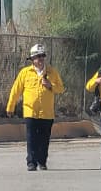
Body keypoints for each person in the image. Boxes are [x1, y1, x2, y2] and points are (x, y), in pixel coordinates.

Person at [6, 43, 65, 171]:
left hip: (47, 113)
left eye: (42, 56)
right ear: (32, 59)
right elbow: (15, 91)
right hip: (30, 111)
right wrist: (10, 107)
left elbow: (61, 88)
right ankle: (31, 162)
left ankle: (42, 162)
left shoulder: (52, 72)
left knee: (44, 139)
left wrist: (50, 85)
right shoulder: (25, 73)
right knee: (31, 138)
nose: (40, 59)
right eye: (38, 57)